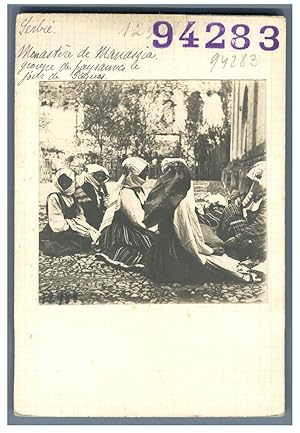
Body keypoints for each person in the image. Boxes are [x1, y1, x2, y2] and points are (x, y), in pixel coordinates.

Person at [143, 158, 261, 283]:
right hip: (174, 257)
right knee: (215, 266)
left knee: (217, 257)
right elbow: (187, 240)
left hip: (162, 252)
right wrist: (210, 251)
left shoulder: (165, 199)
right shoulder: (180, 203)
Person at [96, 156, 158, 269]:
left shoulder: (138, 189)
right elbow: (136, 220)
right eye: (142, 174)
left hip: (138, 223)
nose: (145, 177)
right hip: (127, 227)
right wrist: (154, 228)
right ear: (133, 175)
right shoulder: (127, 192)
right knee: (149, 243)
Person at [39, 168, 99, 256]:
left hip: (72, 225)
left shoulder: (73, 196)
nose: (64, 184)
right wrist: (72, 227)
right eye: (62, 182)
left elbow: (80, 213)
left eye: (67, 181)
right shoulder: (54, 197)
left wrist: (80, 225)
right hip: (59, 229)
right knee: (73, 242)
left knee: (88, 237)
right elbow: (56, 221)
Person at [217, 161, 266, 261]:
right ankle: (221, 237)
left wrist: (238, 238)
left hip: (261, 239)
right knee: (231, 209)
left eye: (257, 182)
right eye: (254, 182)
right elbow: (243, 207)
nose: (254, 185)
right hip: (250, 229)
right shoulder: (256, 194)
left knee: (235, 223)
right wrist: (236, 198)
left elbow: (260, 226)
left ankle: (239, 251)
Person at [75, 164, 109, 229]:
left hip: (95, 218)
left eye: (102, 176)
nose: (100, 178)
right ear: (92, 176)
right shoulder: (87, 187)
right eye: (98, 176)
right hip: (87, 219)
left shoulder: (98, 187)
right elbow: (89, 207)